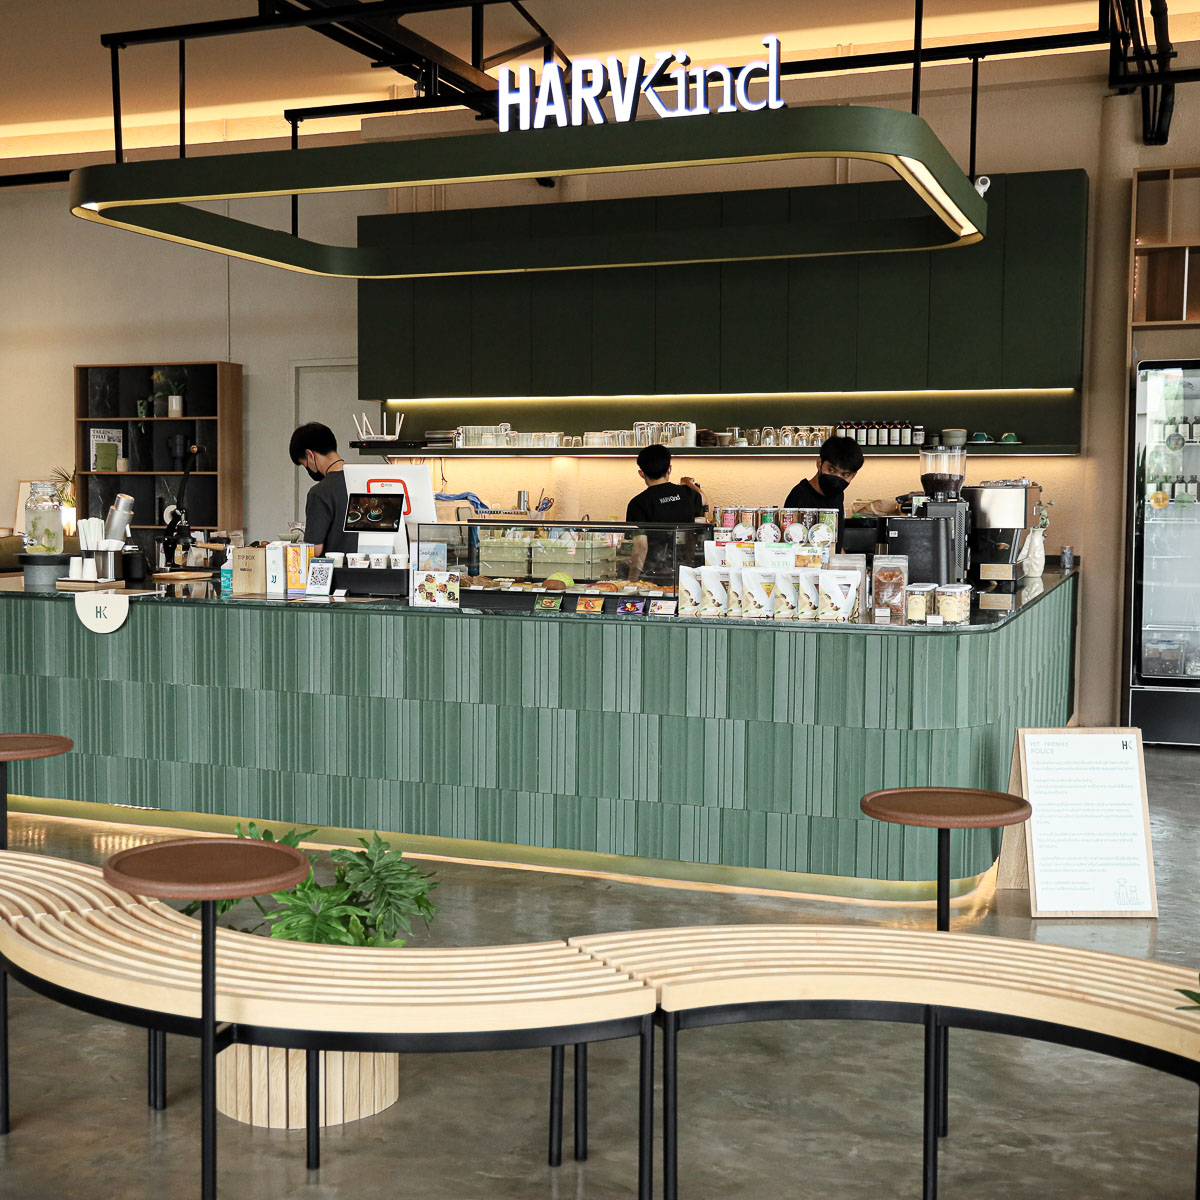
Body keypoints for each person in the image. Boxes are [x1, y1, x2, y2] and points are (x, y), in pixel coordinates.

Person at [625, 444, 706, 582]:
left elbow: (640, 547)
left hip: (654, 575)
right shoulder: (686, 493)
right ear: (669, 469)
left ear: (641, 473)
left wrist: (632, 580)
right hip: (687, 572)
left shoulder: (637, 503)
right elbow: (704, 499)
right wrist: (688, 483)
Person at [783, 435, 864, 551]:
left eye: (845, 475)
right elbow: (789, 547)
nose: (837, 478)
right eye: (831, 470)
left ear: (853, 475)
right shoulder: (799, 496)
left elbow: (836, 543)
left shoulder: (837, 494)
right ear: (819, 463)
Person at [288, 421, 357, 555]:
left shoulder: (320, 492)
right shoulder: (366, 480)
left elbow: (315, 549)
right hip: (372, 565)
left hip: (335, 567)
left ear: (310, 455)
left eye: (305, 464)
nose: (308, 469)